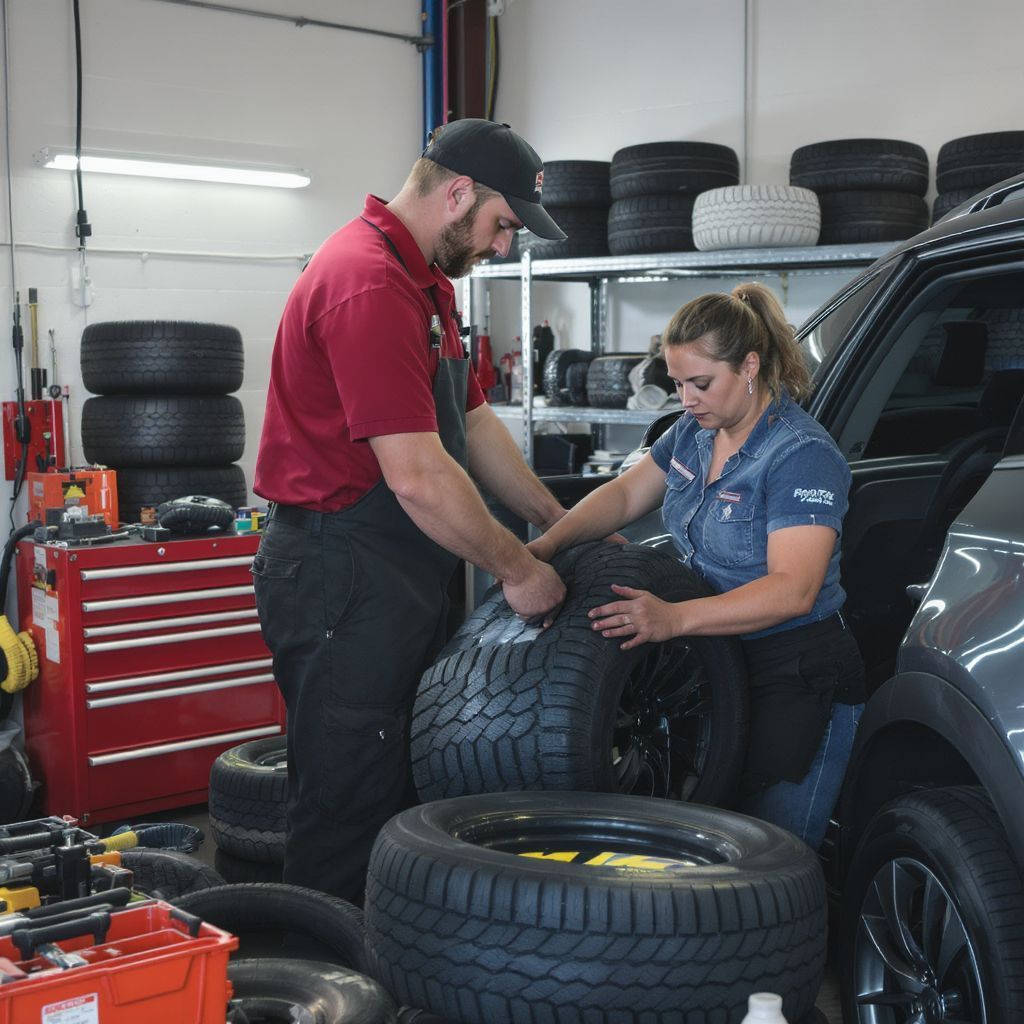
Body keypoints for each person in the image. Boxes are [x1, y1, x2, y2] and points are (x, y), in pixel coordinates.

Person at [252, 119, 568, 902]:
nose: (501, 247)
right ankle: (326, 982)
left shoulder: (424, 280)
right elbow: (421, 477)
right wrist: (517, 568)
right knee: (347, 799)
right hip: (340, 572)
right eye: (501, 226)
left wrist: (554, 523)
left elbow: (475, 423)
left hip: (399, 567)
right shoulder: (367, 282)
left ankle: (391, 973)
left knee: (406, 780)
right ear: (458, 194)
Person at [528, 282, 865, 849]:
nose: (685, 398)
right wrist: (544, 548)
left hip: (798, 674)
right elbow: (622, 497)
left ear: (750, 366)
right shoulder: (693, 433)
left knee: (772, 857)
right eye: (678, 383)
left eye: (700, 383)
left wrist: (675, 619)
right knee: (712, 849)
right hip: (719, 658)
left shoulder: (801, 456)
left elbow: (793, 589)